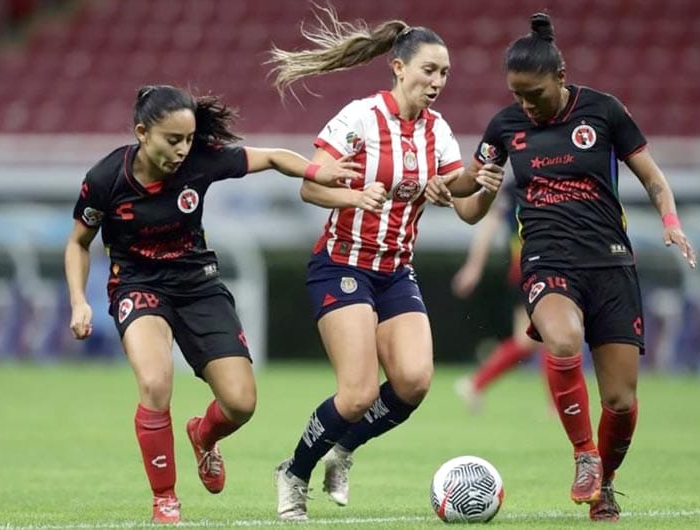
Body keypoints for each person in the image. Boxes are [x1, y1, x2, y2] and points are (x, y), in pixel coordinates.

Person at [64, 84, 360, 524]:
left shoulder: (201, 160)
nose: (183, 150)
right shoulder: (106, 179)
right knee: (156, 382)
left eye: (188, 139)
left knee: (241, 403)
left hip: (198, 285)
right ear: (142, 132)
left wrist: (318, 173)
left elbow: (275, 157)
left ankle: (203, 436)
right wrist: (78, 302)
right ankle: (165, 498)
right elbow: (78, 244)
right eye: (173, 140)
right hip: (137, 286)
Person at [267, 6, 502, 521]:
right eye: (428, 70)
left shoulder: (437, 130)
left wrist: (475, 184)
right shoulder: (358, 119)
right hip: (341, 264)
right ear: (398, 67)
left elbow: (459, 195)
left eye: (444, 73)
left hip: (395, 269)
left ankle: (342, 450)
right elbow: (310, 185)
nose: (437, 81)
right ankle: (294, 472)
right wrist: (354, 199)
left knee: (415, 381)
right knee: (357, 393)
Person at [467, 13, 697, 522]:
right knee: (563, 341)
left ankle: (607, 483)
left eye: (535, 93)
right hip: (547, 260)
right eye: (518, 95)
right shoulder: (505, 127)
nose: (526, 104)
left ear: (560, 76)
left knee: (619, 399)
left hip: (611, 264)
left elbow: (654, 179)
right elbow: (472, 195)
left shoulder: (605, 111)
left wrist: (671, 221)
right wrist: (454, 190)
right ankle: (584, 455)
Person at [451, 182, 543, 413]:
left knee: (528, 341)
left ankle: (475, 383)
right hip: (531, 268)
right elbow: (489, 224)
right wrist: (473, 268)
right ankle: (558, 407)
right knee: (547, 339)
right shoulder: (514, 188)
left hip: (532, 267)